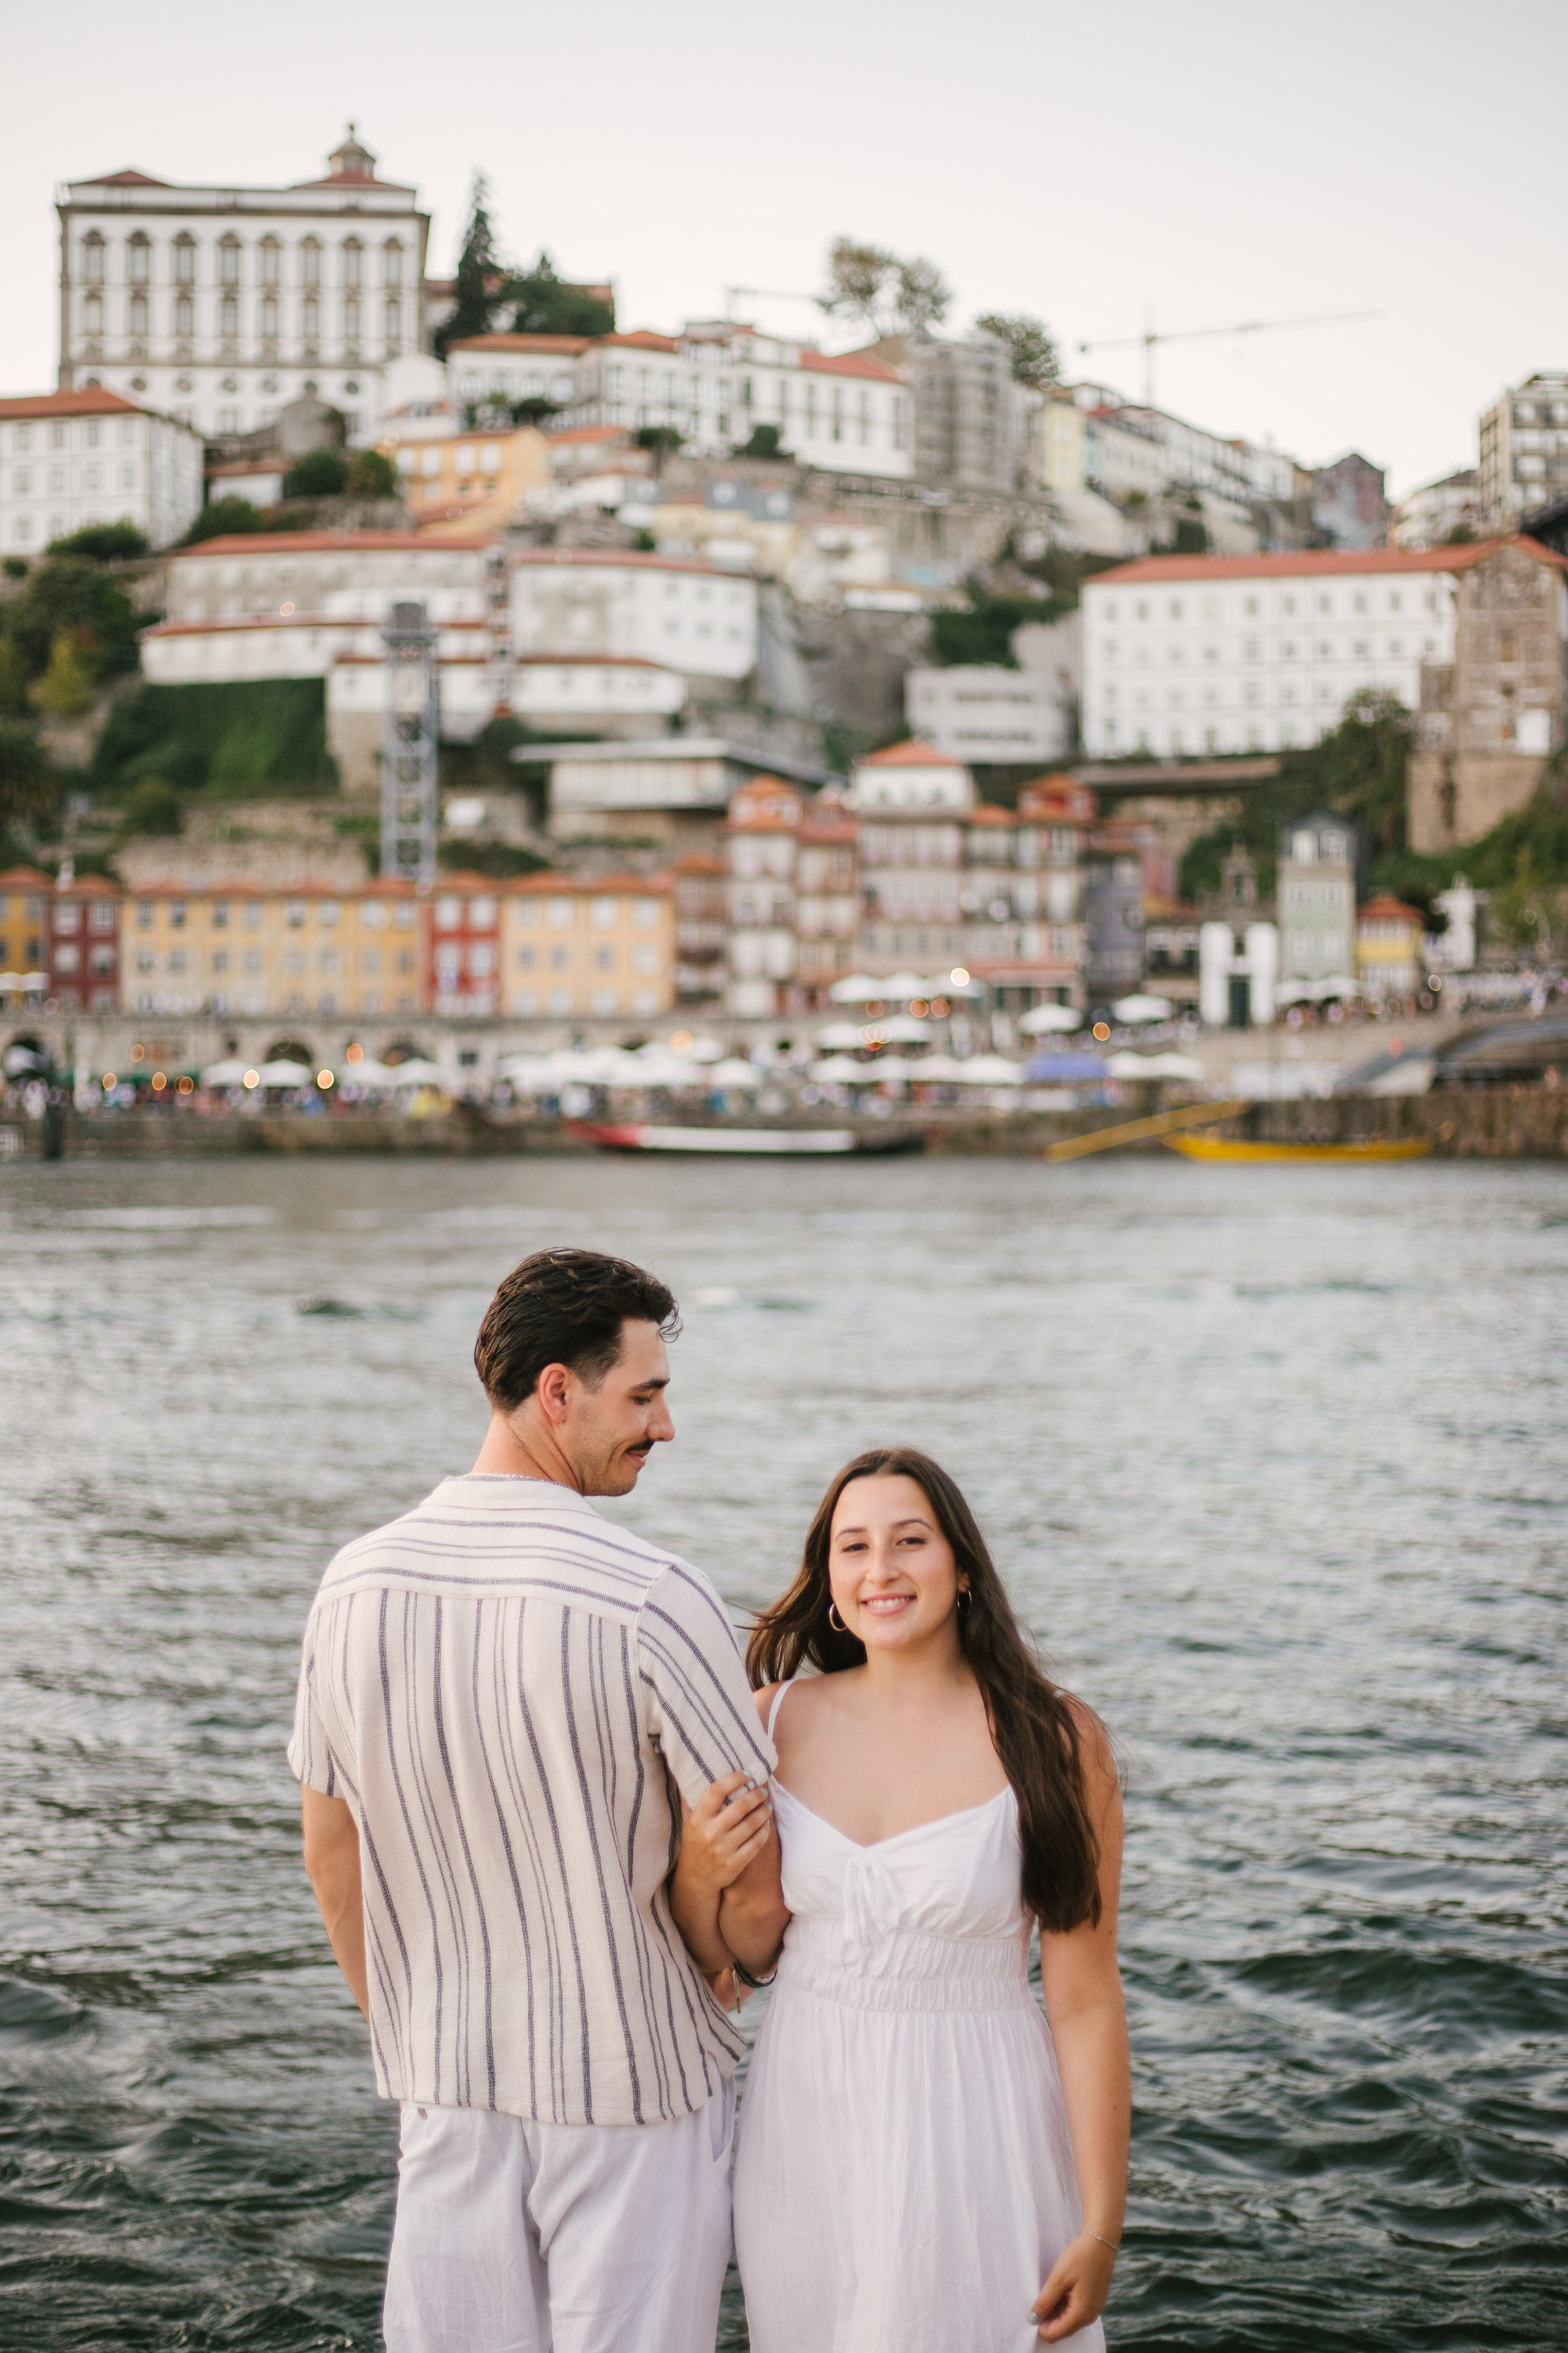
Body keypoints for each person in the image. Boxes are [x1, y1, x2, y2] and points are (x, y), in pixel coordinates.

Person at [288, 1247, 787, 2353]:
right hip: (635, 2098)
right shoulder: (653, 1597)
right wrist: (741, 1964)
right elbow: (755, 1882)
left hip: (449, 2093)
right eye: (645, 1396)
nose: (664, 1428)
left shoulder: (352, 1584)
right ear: (557, 1391)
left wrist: (412, 2031)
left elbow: (332, 1851)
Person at [701, 1446, 1129, 2353]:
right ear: (827, 1579)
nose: (881, 1569)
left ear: (963, 1566)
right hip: (807, 2120)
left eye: (910, 1540)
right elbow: (752, 1947)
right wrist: (707, 1865)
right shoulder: (771, 1718)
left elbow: (1085, 2000)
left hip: (979, 2114)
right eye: (852, 1547)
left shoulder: (1055, 1736)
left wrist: (1099, 2226)